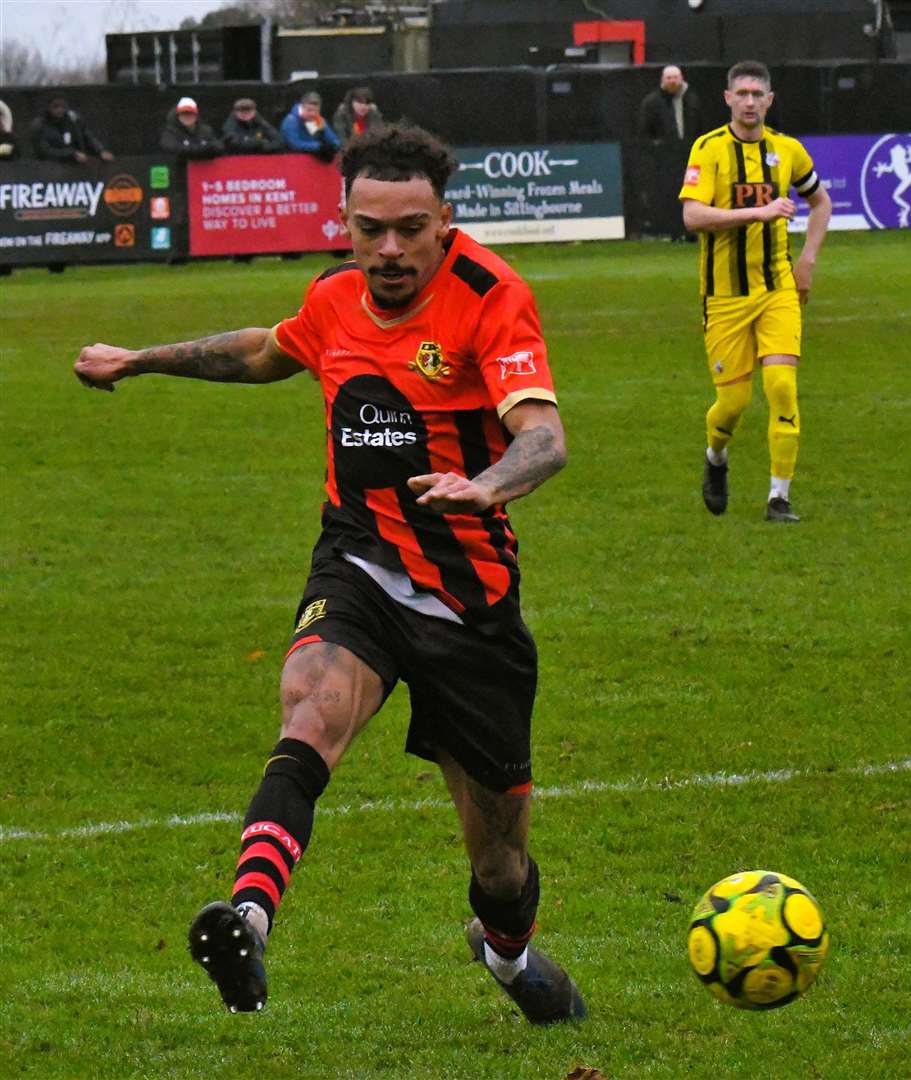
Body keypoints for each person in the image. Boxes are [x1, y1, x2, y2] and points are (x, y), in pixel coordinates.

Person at [72, 122, 585, 1027]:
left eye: (410, 229)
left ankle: (508, 957)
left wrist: (486, 484)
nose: (389, 250)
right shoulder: (337, 296)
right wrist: (142, 358)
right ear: (344, 219)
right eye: (368, 228)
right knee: (309, 705)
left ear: (445, 221)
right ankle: (248, 920)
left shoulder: (490, 295)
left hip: (470, 600)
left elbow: (543, 435)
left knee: (499, 862)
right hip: (357, 561)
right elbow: (268, 349)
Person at [679, 60, 832, 524]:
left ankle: (778, 499)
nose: (749, 102)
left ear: (769, 101)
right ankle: (716, 456)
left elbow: (820, 201)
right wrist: (757, 213)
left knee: (782, 386)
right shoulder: (708, 150)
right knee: (734, 404)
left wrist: (806, 260)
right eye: (741, 93)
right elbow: (693, 217)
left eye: (757, 94)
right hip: (724, 297)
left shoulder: (788, 151)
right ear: (728, 99)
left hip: (778, 289)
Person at [638, 65, 701, 239]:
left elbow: (700, 126)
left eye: (675, 77)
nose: (672, 81)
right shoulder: (651, 102)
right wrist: (659, 148)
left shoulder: (692, 99)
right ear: (662, 80)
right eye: (669, 78)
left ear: (681, 78)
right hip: (666, 159)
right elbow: (644, 132)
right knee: (670, 194)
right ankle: (673, 230)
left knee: (692, 194)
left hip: (690, 156)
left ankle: (691, 231)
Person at [31, 96, 115, 163]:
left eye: (62, 106)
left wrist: (100, 151)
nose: (59, 110)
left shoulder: (72, 120)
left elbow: (87, 136)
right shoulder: (40, 125)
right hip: (49, 167)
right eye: (55, 106)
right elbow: (45, 151)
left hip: (75, 166)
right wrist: (71, 154)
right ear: (49, 108)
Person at [280, 91, 340, 161]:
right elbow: (294, 144)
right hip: (292, 160)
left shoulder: (317, 120)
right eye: (309, 110)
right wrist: (318, 146)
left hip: (313, 161)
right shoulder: (291, 121)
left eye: (316, 111)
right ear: (302, 107)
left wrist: (334, 146)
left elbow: (332, 138)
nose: (313, 114)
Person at [221, 98, 285, 155]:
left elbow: (279, 141)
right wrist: (259, 142)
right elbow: (234, 143)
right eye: (241, 111)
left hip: (259, 159)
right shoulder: (229, 125)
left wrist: (264, 146)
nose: (245, 114)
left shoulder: (261, 122)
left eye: (248, 111)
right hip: (237, 159)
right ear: (235, 112)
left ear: (254, 111)